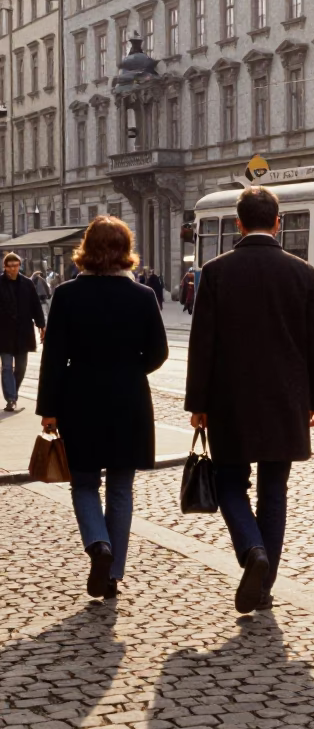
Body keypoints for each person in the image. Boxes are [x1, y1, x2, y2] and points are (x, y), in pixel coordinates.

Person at [185, 186, 314, 614]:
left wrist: (198, 402)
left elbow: (203, 344)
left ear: (238, 223)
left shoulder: (215, 271)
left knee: (231, 483)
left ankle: (252, 551)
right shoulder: (302, 272)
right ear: (278, 222)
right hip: (286, 399)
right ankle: (263, 586)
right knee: (275, 490)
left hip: (229, 399)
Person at [35, 217, 168, 599]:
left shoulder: (66, 295)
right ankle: (113, 574)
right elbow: (159, 352)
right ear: (126, 251)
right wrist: (129, 369)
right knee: (122, 487)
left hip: (80, 398)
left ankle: (99, 544)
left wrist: (49, 408)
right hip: (129, 399)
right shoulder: (142, 296)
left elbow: (54, 358)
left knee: (85, 483)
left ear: (85, 250)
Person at [1, 253, 46, 412]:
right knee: (6, 367)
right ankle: (11, 399)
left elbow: (35, 305)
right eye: (10, 266)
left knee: (21, 367)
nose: (13, 269)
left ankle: (13, 392)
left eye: (16, 265)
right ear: (4, 267)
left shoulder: (27, 284)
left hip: (23, 331)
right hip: (4, 332)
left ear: (19, 266)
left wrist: (41, 325)